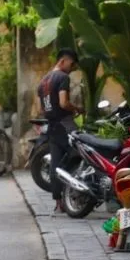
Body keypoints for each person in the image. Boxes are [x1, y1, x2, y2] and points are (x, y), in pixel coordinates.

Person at [37, 48, 83, 213]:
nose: (72, 68)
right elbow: (64, 103)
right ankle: (78, 195)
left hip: (52, 126)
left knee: (56, 163)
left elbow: (41, 109)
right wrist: (76, 108)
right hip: (65, 124)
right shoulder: (62, 77)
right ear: (63, 61)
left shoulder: (43, 81)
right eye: (71, 64)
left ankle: (59, 202)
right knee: (80, 156)